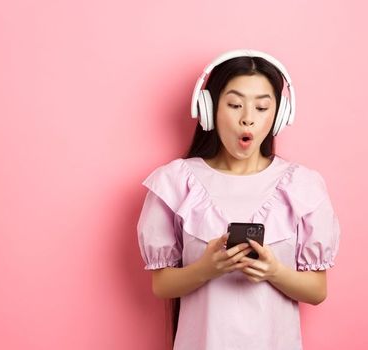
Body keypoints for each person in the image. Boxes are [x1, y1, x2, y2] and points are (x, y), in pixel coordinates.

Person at [136, 49, 341, 350]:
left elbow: (317, 291)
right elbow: (162, 285)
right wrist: (206, 268)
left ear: (279, 115)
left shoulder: (302, 186)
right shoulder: (175, 183)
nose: (248, 120)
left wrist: (274, 272)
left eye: (261, 108)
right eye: (234, 105)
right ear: (209, 109)